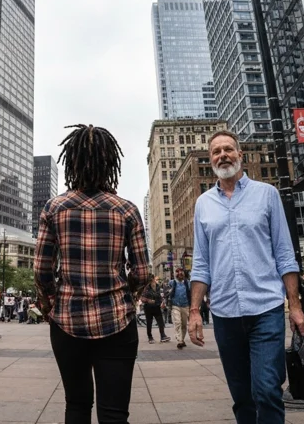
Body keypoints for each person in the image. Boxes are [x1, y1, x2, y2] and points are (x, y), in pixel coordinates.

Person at [34, 124, 150, 424]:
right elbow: (142, 271)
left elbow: (42, 270)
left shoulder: (53, 208)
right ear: (110, 163)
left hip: (67, 321)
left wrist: (48, 302)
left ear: (72, 162)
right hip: (117, 321)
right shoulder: (127, 210)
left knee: (76, 404)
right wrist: (130, 293)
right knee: (114, 413)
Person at [188, 130, 304, 424]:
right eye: (216, 152)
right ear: (210, 160)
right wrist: (194, 312)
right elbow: (201, 263)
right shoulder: (203, 204)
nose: (223, 155)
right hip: (225, 313)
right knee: (241, 396)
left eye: (228, 149)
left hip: (266, 308)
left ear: (240, 155)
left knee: (266, 390)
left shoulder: (267, 194)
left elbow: (284, 253)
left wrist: (296, 305)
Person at [167, 268, 192, 349]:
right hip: (175, 306)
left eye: (181, 273)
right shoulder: (172, 282)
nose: (180, 275)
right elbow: (166, 292)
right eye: (178, 273)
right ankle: (180, 340)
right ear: (175, 274)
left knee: (184, 325)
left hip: (186, 306)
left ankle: (182, 339)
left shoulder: (188, 283)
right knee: (178, 322)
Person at [141, 276, 170, 344]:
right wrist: (148, 300)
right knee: (149, 323)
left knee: (161, 322)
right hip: (148, 308)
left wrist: (163, 302)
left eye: (152, 280)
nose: (152, 281)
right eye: (150, 280)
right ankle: (150, 337)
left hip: (157, 307)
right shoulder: (146, 288)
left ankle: (163, 336)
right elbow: (142, 298)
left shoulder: (158, 287)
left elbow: (160, 296)